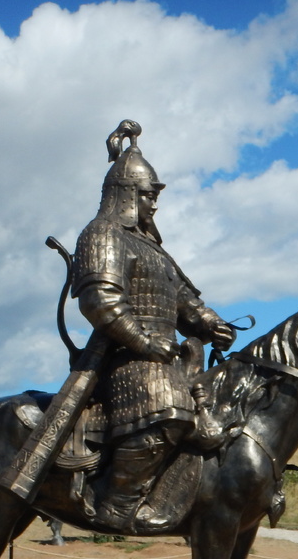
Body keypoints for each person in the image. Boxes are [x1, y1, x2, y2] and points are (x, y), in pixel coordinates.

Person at [71, 120, 235, 532]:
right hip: (127, 357)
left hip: (168, 357)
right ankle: (117, 503)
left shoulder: (153, 249)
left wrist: (210, 322)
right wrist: (144, 342)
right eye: (148, 195)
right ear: (126, 195)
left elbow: (183, 300)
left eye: (156, 196)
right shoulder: (102, 234)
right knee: (171, 411)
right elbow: (100, 301)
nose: (154, 205)